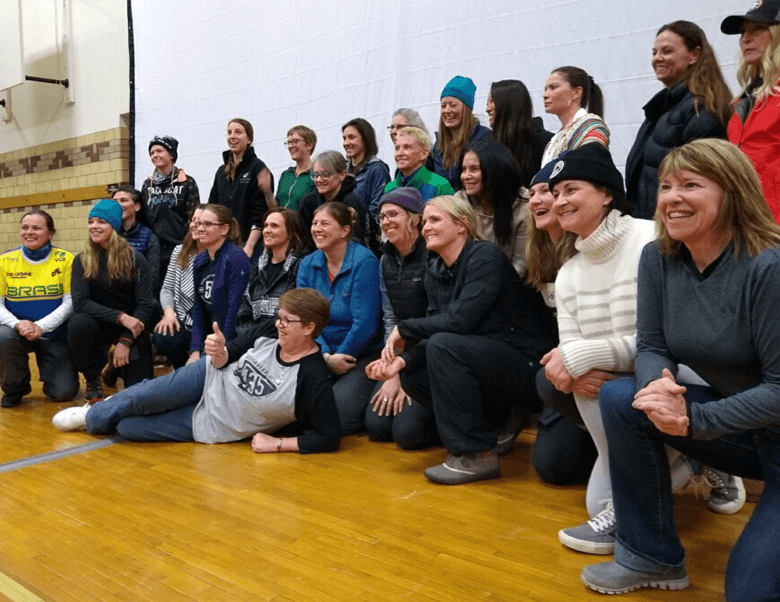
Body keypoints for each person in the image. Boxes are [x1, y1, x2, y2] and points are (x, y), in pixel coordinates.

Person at [579, 138, 780, 599]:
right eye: (666, 185)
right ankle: (649, 555)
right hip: (750, 433)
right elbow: (651, 345)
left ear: (732, 192)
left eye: (691, 184)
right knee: (622, 398)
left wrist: (694, 418)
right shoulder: (660, 258)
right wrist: (659, 390)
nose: (672, 197)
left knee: (749, 592)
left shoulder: (768, 266)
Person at [367, 196, 555, 484]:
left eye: (435, 220)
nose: (426, 227)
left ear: (462, 225)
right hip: (484, 359)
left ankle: (475, 454)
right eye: (425, 220)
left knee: (445, 345)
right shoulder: (437, 270)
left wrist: (405, 328)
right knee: (414, 373)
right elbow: (439, 331)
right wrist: (401, 362)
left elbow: (459, 322)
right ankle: (491, 426)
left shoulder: (485, 256)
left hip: (530, 364)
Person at [53, 288, 341, 454]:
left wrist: (278, 443)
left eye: (287, 320)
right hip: (209, 376)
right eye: (279, 317)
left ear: (309, 328)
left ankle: (107, 411)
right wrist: (220, 351)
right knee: (137, 399)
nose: (279, 324)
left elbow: (329, 436)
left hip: (214, 421)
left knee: (129, 428)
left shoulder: (313, 376)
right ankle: (92, 414)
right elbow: (231, 354)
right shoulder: (269, 330)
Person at [523, 162, 596, 484]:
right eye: (533, 193)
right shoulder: (537, 253)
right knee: (553, 468)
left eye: (547, 192)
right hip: (557, 372)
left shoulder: (586, 250)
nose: (537, 200)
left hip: (592, 363)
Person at [625, 21, 731, 218]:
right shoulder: (661, 109)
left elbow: (701, 184)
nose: (658, 58)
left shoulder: (704, 110)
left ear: (694, 56)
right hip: (654, 225)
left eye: (667, 51)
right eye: (654, 52)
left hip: (678, 227)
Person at [296, 202, 381, 435]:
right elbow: (305, 319)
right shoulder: (307, 264)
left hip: (359, 352)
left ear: (344, 231)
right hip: (319, 352)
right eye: (314, 223)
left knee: (337, 418)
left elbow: (364, 324)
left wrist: (339, 357)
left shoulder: (364, 261)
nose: (317, 229)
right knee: (294, 409)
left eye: (325, 223)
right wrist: (324, 356)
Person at [363, 188, 435, 449]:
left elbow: (437, 320)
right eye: (382, 216)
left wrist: (408, 378)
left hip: (431, 353)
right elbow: (390, 317)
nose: (385, 221)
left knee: (408, 435)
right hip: (402, 349)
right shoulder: (385, 261)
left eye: (393, 214)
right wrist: (392, 372)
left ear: (414, 219)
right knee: (377, 427)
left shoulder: (433, 254)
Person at [67, 199, 154, 400]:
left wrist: (125, 341)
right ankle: (92, 377)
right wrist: (120, 316)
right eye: (91, 221)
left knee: (141, 392)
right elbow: (80, 303)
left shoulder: (135, 258)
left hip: (132, 326)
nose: (94, 227)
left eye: (101, 222)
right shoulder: (81, 260)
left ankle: (116, 366)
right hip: (98, 324)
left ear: (114, 226)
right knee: (77, 323)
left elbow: (145, 303)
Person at [0, 210, 78, 408]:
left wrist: (41, 327)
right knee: (2, 335)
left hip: (52, 332)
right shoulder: (5, 261)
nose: (29, 232)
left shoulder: (66, 259)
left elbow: (70, 302)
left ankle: (53, 376)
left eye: (37, 228)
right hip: (16, 332)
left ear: (51, 233)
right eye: (25, 227)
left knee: (64, 393)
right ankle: (15, 387)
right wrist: (17, 325)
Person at [722, 1, 780, 223]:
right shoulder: (746, 98)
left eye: (758, 29)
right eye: (744, 31)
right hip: (747, 226)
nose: (745, 38)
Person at [187, 204, 250, 365]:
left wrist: (223, 347)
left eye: (207, 224)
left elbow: (234, 309)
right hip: (211, 341)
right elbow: (198, 308)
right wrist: (195, 350)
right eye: (199, 223)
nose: (200, 228)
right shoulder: (200, 260)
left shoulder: (236, 258)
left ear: (224, 229)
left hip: (232, 342)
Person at [457, 138, 530, 276]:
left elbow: (520, 266)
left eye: (474, 169)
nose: (466, 176)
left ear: (495, 169)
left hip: (509, 285)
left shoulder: (523, 205)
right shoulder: (460, 201)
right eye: (463, 169)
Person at [235, 207, 307, 336]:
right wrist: (252, 339)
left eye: (274, 226)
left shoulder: (300, 266)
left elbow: (297, 313)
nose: (267, 230)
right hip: (252, 344)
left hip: (285, 341)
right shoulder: (256, 268)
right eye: (266, 225)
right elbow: (243, 310)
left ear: (290, 232)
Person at [208, 118, 275, 256]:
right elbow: (212, 207)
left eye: (238, 132)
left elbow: (261, 214)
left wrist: (249, 246)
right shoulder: (221, 172)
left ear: (249, 139)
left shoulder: (258, 168)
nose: (232, 136)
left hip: (250, 245)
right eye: (229, 132)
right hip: (223, 244)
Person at [139, 135, 200, 282]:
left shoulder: (187, 182)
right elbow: (144, 218)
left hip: (181, 247)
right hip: (155, 250)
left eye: (159, 151)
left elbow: (194, 216)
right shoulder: (147, 185)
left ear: (171, 154)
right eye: (152, 153)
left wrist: (190, 246)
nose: (155, 155)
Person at [154, 206, 206, 369]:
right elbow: (167, 289)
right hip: (184, 317)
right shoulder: (180, 250)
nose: (194, 225)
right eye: (193, 220)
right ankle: (180, 368)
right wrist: (169, 313)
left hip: (209, 322)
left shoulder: (223, 255)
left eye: (201, 222)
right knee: (164, 334)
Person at [297, 151, 370, 250]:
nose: (319, 179)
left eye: (325, 174)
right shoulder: (308, 201)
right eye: (316, 175)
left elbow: (358, 240)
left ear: (342, 175)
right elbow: (303, 239)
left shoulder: (352, 201)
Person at [486, 79, 553, 187]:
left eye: (492, 102)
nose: (487, 109)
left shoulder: (547, 143)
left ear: (508, 102)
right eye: (487, 103)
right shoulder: (490, 145)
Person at [432, 76, 491, 189]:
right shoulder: (439, 145)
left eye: (453, 105)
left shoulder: (484, 138)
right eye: (443, 106)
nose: (447, 111)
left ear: (466, 109)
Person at [541, 67, 609, 164]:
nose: (545, 94)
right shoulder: (557, 137)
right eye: (545, 89)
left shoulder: (590, 128)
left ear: (576, 93)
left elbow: (588, 167)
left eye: (553, 87)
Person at [112, 186, 161, 293]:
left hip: (139, 297)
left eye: (123, 200)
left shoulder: (149, 237)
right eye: (115, 201)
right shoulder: (108, 234)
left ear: (137, 206)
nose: (118, 204)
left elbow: (152, 278)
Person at [383, 127, 454, 200]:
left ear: (424, 154)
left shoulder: (440, 186)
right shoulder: (390, 188)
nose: (399, 153)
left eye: (407, 147)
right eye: (397, 148)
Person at [342, 118, 391, 217]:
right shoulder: (342, 170)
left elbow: (377, 209)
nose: (346, 143)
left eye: (351, 137)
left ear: (365, 138)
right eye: (344, 138)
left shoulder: (377, 169)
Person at [277, 125, 316, 210]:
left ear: (309, 145)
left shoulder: (316, 175)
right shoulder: (285, 175)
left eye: (295, 141)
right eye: (289, 142)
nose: (290, 146)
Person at [387, 109, 435, 173]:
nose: (393, 131)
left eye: (400, 127)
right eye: (392, 127)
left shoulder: (430, 163)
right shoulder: (401, 168)